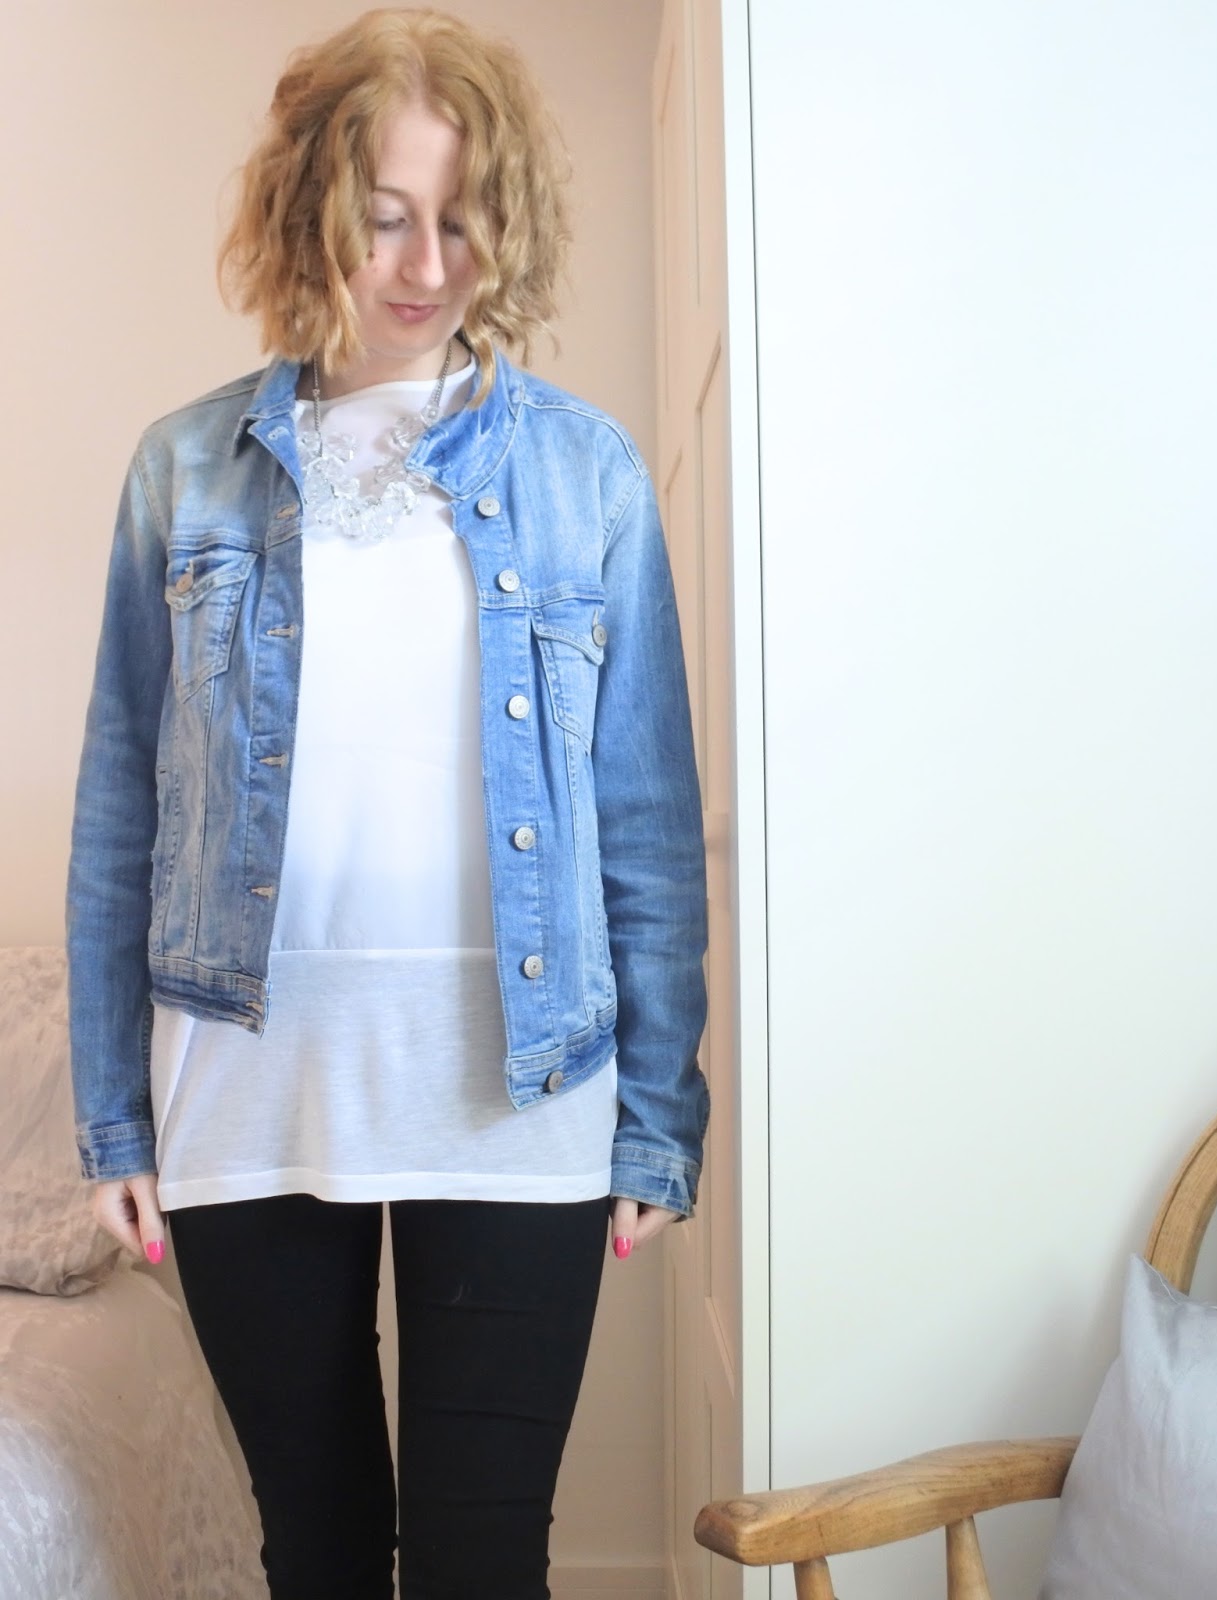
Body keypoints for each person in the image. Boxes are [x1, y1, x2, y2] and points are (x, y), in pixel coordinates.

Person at [64, 9, 709, 1597]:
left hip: (519, 1092)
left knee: (485, 1564)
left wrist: (657, 1117)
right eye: (385, 216)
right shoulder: (184, 472)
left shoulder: (589, 476)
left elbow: (643, 818)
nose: (427, 264)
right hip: (245, 1089)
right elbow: (121, 815)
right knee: (323, 1557)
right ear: (310, 211)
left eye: (463, 218)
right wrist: (113, 1111)